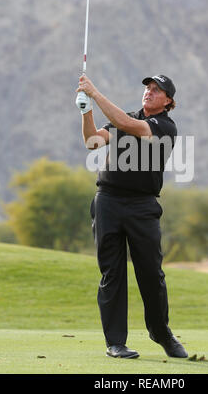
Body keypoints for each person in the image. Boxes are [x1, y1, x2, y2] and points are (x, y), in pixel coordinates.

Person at [75, 74, 188, 359]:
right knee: (112, 272)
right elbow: (91, 142)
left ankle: (161, 333)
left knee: (151, 274)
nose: (148, 93)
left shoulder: (164, 126)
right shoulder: (124, 117)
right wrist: (86, 109)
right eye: (147, 88)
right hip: (108, 202)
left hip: (142, 206)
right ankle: (116, 343)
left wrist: (95, 92)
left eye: (156, 90)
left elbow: (131, 127)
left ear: (169, 101)